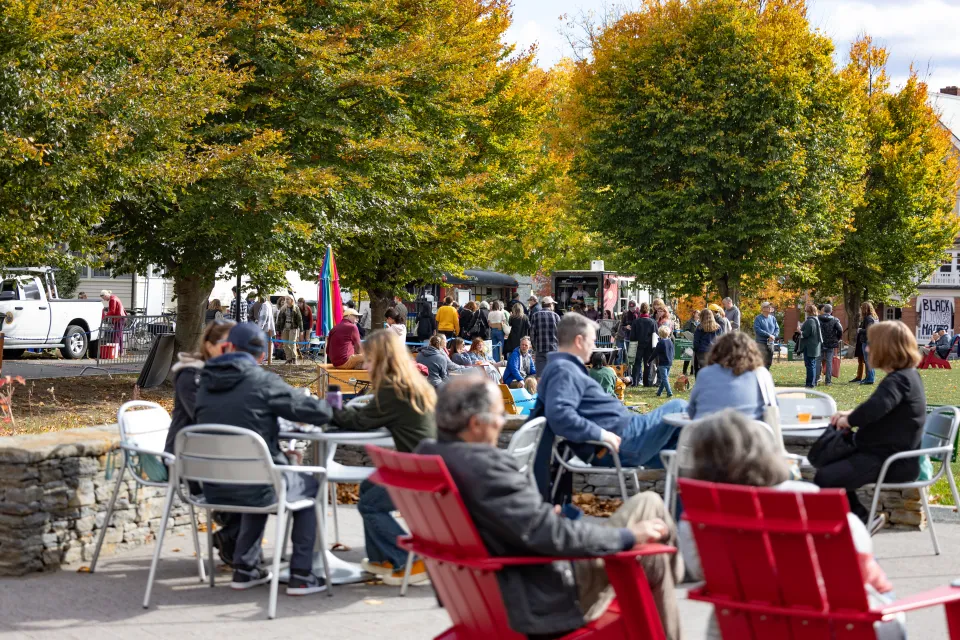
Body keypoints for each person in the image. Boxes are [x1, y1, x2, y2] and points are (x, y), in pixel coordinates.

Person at [417, 375, 683, 640]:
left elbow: (525, 525)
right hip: (545, 595)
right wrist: (629, 536)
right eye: (499, 415)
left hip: (487, 592)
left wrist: (541, 518)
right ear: (476, 423)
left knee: (650, 509)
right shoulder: (485, 469)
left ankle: (676, 568)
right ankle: (677, 571)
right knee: (652, 545)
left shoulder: (429, 457)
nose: (501, 423)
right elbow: (553, 535)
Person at [679, 410, 902, 640]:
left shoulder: (697, 516)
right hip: (824, 624)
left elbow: (699, 570)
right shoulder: (804, 498)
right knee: (870, 572)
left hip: (742, 625)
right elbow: (859, 543)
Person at [194, 323, 331, 594]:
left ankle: (245, 569)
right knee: (309, 486)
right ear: (262, 354)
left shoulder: (203, 383)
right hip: (257, 484)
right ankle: (302, 574)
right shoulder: (262, 381)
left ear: (228, 347)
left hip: (213, 487)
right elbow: (314, 411)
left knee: (257, 475)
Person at [534, 314, 689, 495]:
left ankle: (684, 513)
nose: (593, 347)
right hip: (620, 441)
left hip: (626, 435)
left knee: (686, 460)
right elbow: (559, 415)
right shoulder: (563, 370)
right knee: (678, 406)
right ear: (578, 341)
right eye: (592, 341)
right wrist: (601, 435)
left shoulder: (565, 368)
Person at [332, 330, 437, 586]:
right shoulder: (410, 382)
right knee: (369, 487)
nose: (365, 363)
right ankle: (381, 559)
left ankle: (406, 559)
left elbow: (358, 421)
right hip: (425, 464)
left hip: (414, 471)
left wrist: (326, 409)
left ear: (381, 358)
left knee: (370, 505)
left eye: (369, 357)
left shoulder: (393, 388)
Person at [815, 321, 925, 529]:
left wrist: (849, 420)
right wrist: (850, 413)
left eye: (871, 343)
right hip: (887, 455)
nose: (867, 348)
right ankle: (862, 519)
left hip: (890, 460)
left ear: (885, 348)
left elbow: (876, 408)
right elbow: (885, 409)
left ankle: (859, 523)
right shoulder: (906, 377)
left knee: (826, 476)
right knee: (829, 468)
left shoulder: (898, 380)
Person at [162, 320, 239, 565]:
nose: (232, 350)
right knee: (248, 484)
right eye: (226, 345)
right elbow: (204, 417)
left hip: (218, 456)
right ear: (210, 346)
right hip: (187, 458)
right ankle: (236, 543)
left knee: (260, 481)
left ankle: (234, 541)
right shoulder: (191, 374)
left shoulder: (232, 373)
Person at [687, 332, 776, 420]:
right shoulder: (762, 375)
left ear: (717, 351)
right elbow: (774, 409)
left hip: (708, 431)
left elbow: (691, 411)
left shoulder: (705, 373)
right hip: (750, 431)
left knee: (677, 404)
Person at [530, 296, 561, 375]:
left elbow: (532, 334)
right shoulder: (556, 316)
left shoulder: (535, 316)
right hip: (553, 350)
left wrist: (535, 347)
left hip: (540, 349)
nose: (553, 306)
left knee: (540, 375)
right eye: (553, 304)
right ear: (550, 305)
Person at [629, 302, 657, 387]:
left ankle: (635, 382)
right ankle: (647, 382)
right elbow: (655, 335)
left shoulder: (636, 322)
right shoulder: (653, 322)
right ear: (648, 310)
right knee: (648, 364)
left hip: (638, 345)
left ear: (640, 310)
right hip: (649, 346)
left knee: (637, 364)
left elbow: (632, 336)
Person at [852, 302, 880, 385]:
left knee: (868, 361)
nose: (860, 310)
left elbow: (869, 330)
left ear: (865, 309)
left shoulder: (868, 318)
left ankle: (870, 379)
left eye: (862, 308)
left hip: (868, 341)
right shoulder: (873, 317)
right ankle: (868, 378)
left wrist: (860, 330)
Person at [797, 303, 823, 388]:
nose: (805, 311)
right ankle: (813, 382)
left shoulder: (810, 321)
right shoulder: (816, 320)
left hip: (810, 347)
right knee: (813, 364)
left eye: (806, 310)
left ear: (809, 311)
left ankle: (810, 383)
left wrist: (799, 330)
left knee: (810, 365)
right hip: (814, 346)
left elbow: (806, 334)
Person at [818, 304, 844, 385]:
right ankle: (828, 381)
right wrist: (837, 338)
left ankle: (816, 379)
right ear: (831, 311)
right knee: (829, 362)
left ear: (823, 310)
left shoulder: (818, 319)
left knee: (818, 361)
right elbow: (840, 330)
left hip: (820, 343)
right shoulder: (835, 320)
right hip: (831, 343)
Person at [692, 307, 720, 378]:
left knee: (701, 372)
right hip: (714, 352)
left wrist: (696, 350)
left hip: (702, 352)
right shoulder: (718, 327)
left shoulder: (700, 327)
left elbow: (696, 342)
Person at [276, 296, 303, 365]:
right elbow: (279, 319)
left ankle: (294, 358)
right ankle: (289, 358)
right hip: (285, 328)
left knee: (292, 343)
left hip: (293, 328)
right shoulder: (283, 308)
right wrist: (278, 329)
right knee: (285, 344)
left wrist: (301, 330)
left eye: (288, 299)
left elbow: (300, 320)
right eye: (285, 299)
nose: (286, 300)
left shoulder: (296, 308)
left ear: (291, 300)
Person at [100, 289, 126, 354]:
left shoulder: (112, 299)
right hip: (121, 317)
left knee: (116, 336)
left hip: (119, 318)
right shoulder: (114, 297)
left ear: (105, 295)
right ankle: (120, 351)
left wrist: (105, 315)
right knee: (119, 335)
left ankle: (116, 352)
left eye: (103, 298)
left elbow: (112, 311)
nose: (104, 300)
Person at [753, 302, 779, 368]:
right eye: (768, 307)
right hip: (761, 343)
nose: (770, 308)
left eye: (770, 307)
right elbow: (757, 329)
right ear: (763, 309)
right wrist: (769, 335)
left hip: (771, 343)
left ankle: (765, 376)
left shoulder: (773, 318)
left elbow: (777, 328)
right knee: (761, 362)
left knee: (769, 362)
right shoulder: (758, 318)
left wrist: (773, 336)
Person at [654, 326, 674, 398]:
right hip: (669, 363)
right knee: (664, 378)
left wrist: (649, 361)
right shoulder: (670, 342)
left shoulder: (660, 342)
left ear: (659, 334)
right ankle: (659, 392)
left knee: (664, 378)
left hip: (662, 363)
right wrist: (672, 359)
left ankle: (669, 392)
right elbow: (673, 352)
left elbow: (655, 353)